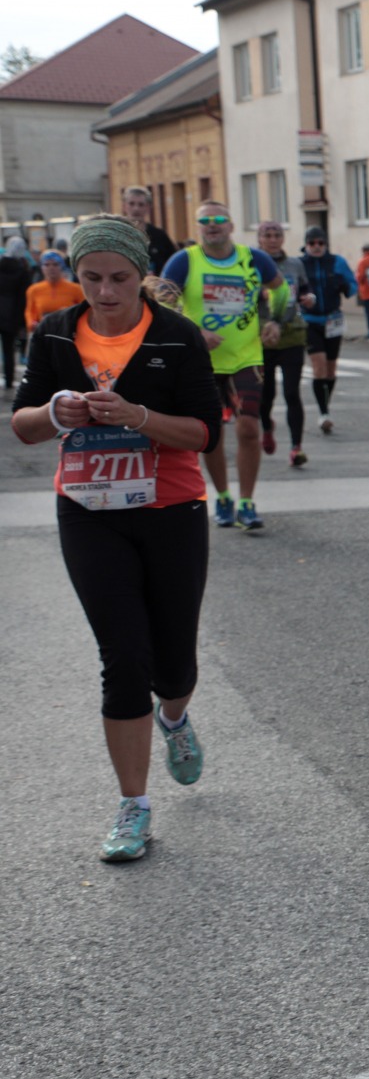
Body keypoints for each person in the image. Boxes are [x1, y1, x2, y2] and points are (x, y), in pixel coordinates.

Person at [10, 215, 223, 861]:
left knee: (174, 664)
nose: (105, 292)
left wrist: (139, 416)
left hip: (171, 508)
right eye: (92, 277)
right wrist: (55, 413)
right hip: (88, 510)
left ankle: (174, 717)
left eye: (120, 279)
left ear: (141, 276)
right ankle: (134, 806)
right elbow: (22, 424)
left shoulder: (178, 336)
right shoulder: (53, 332)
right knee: (123, 657)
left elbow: (204, 432)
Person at [161, 201, 280, 531]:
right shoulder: (184, 261)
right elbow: (160, 305)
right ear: (198, 227)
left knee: (249, 429)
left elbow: (282, 289)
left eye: (218, 219)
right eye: (205, 220)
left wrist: (276, 321)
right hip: (202, 363)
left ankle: (247, 503)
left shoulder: (255, 259)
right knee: (210, 435)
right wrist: (195, 333)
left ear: (231, 225)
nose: (212, 224)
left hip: (246, 357)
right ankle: (223, 496)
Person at [254, 222, 310, 468]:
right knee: (266, 395)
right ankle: (267, 427)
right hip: (263, 338)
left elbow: (305, 289)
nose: (273, 239)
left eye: (277, 235)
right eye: (267, 235)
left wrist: (308, 298)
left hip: (292, 335)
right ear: (259, 239)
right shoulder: (250, 264)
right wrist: (261, 294)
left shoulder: (295, 264)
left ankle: (296, 447)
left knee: (291, 393)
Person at [293, 227, 356, 437]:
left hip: (333, 320)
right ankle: (323, 413)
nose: (317, 247)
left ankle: (325, 404)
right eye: (312, 243)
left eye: (320, 243)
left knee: (330, 370)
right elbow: (290, 287)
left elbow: (353, 286)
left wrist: (344, 285)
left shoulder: (337, 262)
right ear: (306, 245)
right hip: (309, 321)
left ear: (326, 244)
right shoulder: (300, 264)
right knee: (318, 366)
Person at [121, 185, 177, 274]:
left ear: (148, 208)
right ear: (124, 206)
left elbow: (173, 264)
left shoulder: (160, 236)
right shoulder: (117, 235)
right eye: (131, 204)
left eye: (141, 204)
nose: (136, 208)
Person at [0, 237, 31, 393]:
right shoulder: (22, 270)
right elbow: (24, 298)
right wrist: (22, 322)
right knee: (9, 349)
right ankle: (9, 379)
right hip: (12, 314)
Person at [26, 251, 84, 333]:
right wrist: (31, 323)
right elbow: (30, 311)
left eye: (55, 264)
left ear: (62, 266)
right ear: (42, 267)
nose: (51, 268)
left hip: (67, 332)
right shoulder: (34, 290)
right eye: (47, 265)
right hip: (43, 331)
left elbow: (84, 311)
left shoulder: (76, 289)